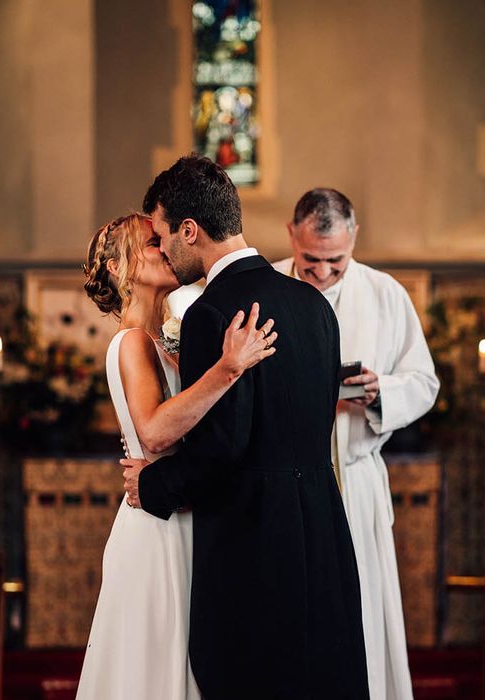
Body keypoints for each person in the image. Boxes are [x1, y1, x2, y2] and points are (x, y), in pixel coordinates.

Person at [122, 156, 369, 700]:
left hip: (254, 546)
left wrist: (153, 485)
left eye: (162, 236)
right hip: (324, 533)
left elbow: (222, 450)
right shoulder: (315, 307)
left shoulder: (212, 313)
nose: (161, 249)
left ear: (190, 230)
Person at [76, 213, 278, 699]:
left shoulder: (166, 339)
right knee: (155, 666)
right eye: (152, 243)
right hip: (157, 528)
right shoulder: (130, 342)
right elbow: (156, 432)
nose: (166, 248)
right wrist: (229, 368)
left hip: (184, 515)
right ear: (124, 265)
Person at [274, 188, 440, 700]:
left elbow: (423, 381)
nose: (322, 274)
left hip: (356, 477)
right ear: (291, 236)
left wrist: (378, 391)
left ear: (355, 240)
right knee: (291, 607)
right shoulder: (269, 287)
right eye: (311, 261)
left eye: (335, 262)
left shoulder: (385, 293)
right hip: (285, 482)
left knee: (361, 605)